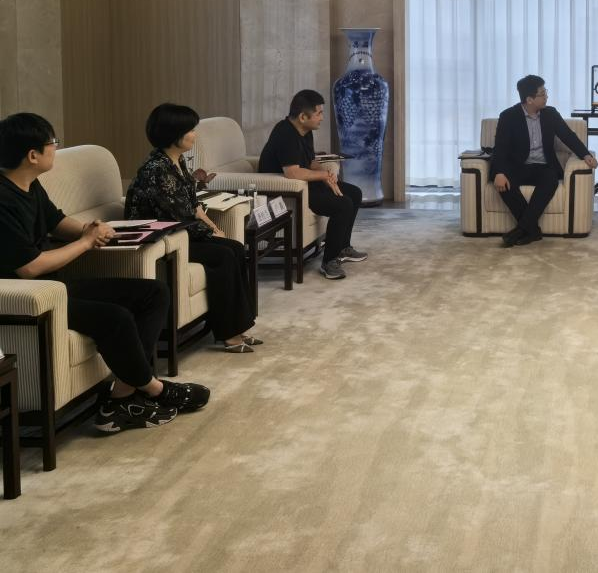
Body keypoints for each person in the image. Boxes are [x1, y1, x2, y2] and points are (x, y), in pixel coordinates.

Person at [0, 112, 209, 433]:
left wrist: (91, 229)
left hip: (55, 287)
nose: (56, 148)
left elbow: (56, 221)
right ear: (32, 155)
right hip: (32, 298)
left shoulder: (30, 185)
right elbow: (30, 267)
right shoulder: (3, 200)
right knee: (116, 317)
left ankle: (122, 396)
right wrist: (86, 242)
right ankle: (154, 389)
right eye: (53, 143)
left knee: (154, 293)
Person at [126, 103, 260, 353]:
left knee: (234, 248)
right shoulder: (156, 170)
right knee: (223, 255)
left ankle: (240, 326)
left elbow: (193, 205)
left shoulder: (177, 161)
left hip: (183, 232)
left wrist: (215, 228)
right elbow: (177, 217)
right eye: (190, 130)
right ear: (174, 134)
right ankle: (229, 334)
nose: (194, 135)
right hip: (164, 240)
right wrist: (210, 234)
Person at [259, 90, 365, 281]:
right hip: (289, 192)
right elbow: (292, 173)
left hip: (305, 185)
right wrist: (322, 175)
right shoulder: (285, 134)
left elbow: (308, 162)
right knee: (343, 204)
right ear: (303, 117)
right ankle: (329, 262)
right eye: (319, 113)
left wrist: (327, 175)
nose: (322, 118)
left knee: (354, 193)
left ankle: (343, 248)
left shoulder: (305, 131)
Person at [490, 75, 597, 248]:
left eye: (545, 92)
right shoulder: (508, 116)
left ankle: (521, 230)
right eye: (542, 93)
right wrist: (500, 172)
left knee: (550, 179)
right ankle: (532, 231)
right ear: (529, 99)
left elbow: (568, 136)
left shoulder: (550, 114)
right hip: (517, 166)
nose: (546, 96)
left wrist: (585, 154)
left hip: (542, 167)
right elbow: (500, 148)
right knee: (504, 184)